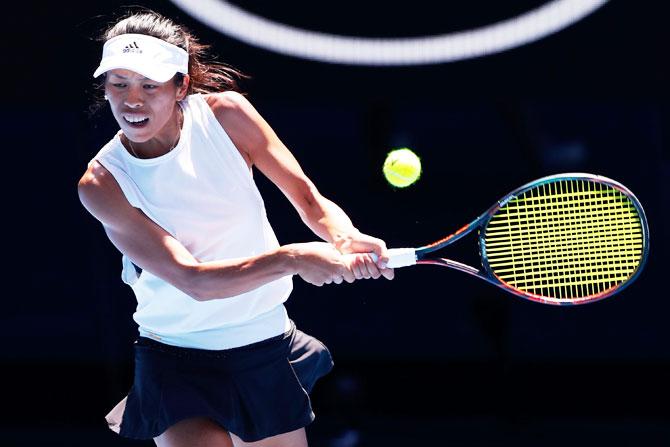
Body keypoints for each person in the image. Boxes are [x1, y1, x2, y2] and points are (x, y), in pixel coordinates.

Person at [77, 9, 394, 447]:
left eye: (150, 85)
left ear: (181, 85)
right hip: (177, 360)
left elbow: (308, 198)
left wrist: (344, 238)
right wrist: (295, 258)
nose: (133, 100)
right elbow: (194, 281)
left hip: (261, 345)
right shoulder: (103, 184)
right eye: (119, 83)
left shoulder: (227, 116)